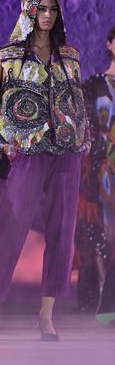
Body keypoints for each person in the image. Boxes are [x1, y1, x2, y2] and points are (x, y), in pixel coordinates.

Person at [0, 0, 89, 341]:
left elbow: (77, 102)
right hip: (26, 151)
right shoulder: (7, 57)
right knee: (11, 224)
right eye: (41, 8)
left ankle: (47, 315)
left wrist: (83, 137)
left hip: (67, 152)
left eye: (53, 9)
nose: (48, 15)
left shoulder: (70, 55)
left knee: (63, 229)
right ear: (28, 9)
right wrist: (1, 144)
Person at [77, 26, 115, 323]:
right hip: (101, 168)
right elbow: (86, 128)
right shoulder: (94, 85)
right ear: (109, 44)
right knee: (101, 232)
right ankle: (100, 297)